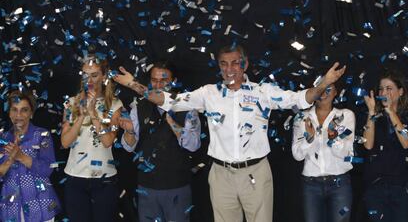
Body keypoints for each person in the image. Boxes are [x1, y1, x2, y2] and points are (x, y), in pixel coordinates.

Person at [114, 45, 346, 222]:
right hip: (221, 174)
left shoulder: (262, 92)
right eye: (224, 64)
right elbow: (167, 99)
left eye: (235, 63)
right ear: (219, 67)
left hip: (256, 172)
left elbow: (299, 99)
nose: (230, 69)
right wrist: (133, 84)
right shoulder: (209, 94)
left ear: (245, 64)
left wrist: (325, 81)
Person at [118, 61, 201, 222]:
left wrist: (173, 124)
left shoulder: (186, 106)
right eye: (154, 80)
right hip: (147, 188)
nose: (158, 85)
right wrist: (129, 131)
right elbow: (129, 147)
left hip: (176, 187)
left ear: (174, 81)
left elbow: (193, 145)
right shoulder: (139, 107)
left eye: (164, 80)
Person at [60, 56, 123, 222]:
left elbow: (108, 141)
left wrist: (94, 114)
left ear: (104, 76)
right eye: (85, 75)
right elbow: (65, 142)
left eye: (94, 75)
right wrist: (81, 115)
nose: (89, 80)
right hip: (75, 177)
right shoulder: (71, 103)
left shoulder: (115, 105)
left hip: (104, 179)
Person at [292, 81, 355, 222]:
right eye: (320, 89)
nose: (323, 93)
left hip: (340, 183)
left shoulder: (345, 116)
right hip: (311, 185)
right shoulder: (302, 118)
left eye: (328, 89)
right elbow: (297, 155)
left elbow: (346, 153)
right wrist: (309, 139)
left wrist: (333, 138)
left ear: (335, 92)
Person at [0, 90, 60, 222]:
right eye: (14, 110)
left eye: (24, 110)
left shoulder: (42, 135)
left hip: (40, 207)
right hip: (11, 208)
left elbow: (47, 169)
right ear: (9, 113)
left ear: (31, 113)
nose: (18, 115)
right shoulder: (3, 138)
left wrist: (21, 156)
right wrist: (10, 160)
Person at [362, 70, 408, 222]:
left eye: (389, 88)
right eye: (381, 89)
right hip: (376, 186)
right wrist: (371, 111)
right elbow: (368, 145)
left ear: (401, 91)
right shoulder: (376, 117)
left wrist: (391, 112)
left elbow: (406, 142)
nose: (384, 92)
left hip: (402, 187)